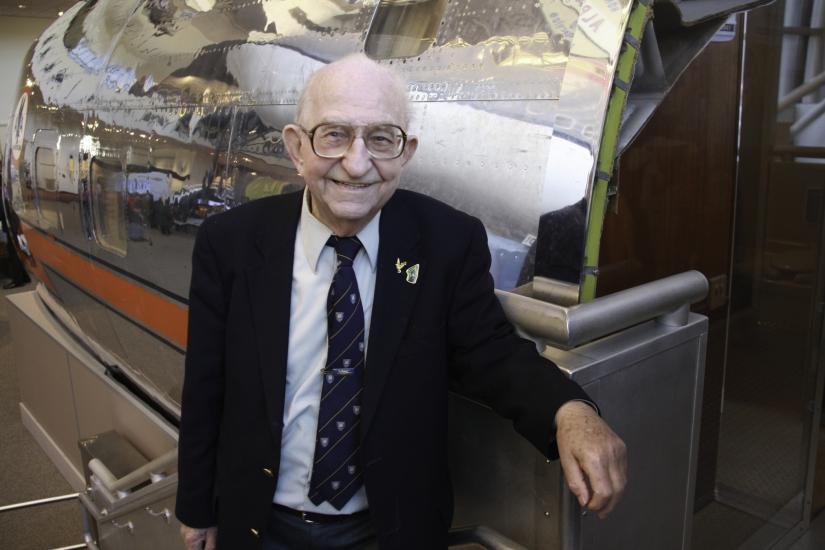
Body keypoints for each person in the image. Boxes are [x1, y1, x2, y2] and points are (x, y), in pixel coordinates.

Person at [175, 54, 626, 550]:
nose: (357, 162)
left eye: (381, 139)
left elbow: (491, 352)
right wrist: (198, 510)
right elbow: (205, 386)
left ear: (406, 152)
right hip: (262, 524)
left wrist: (569, 410)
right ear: (296, 147)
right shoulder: (232, 244)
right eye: (334, 135)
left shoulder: (446, 242)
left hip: (389, 529)